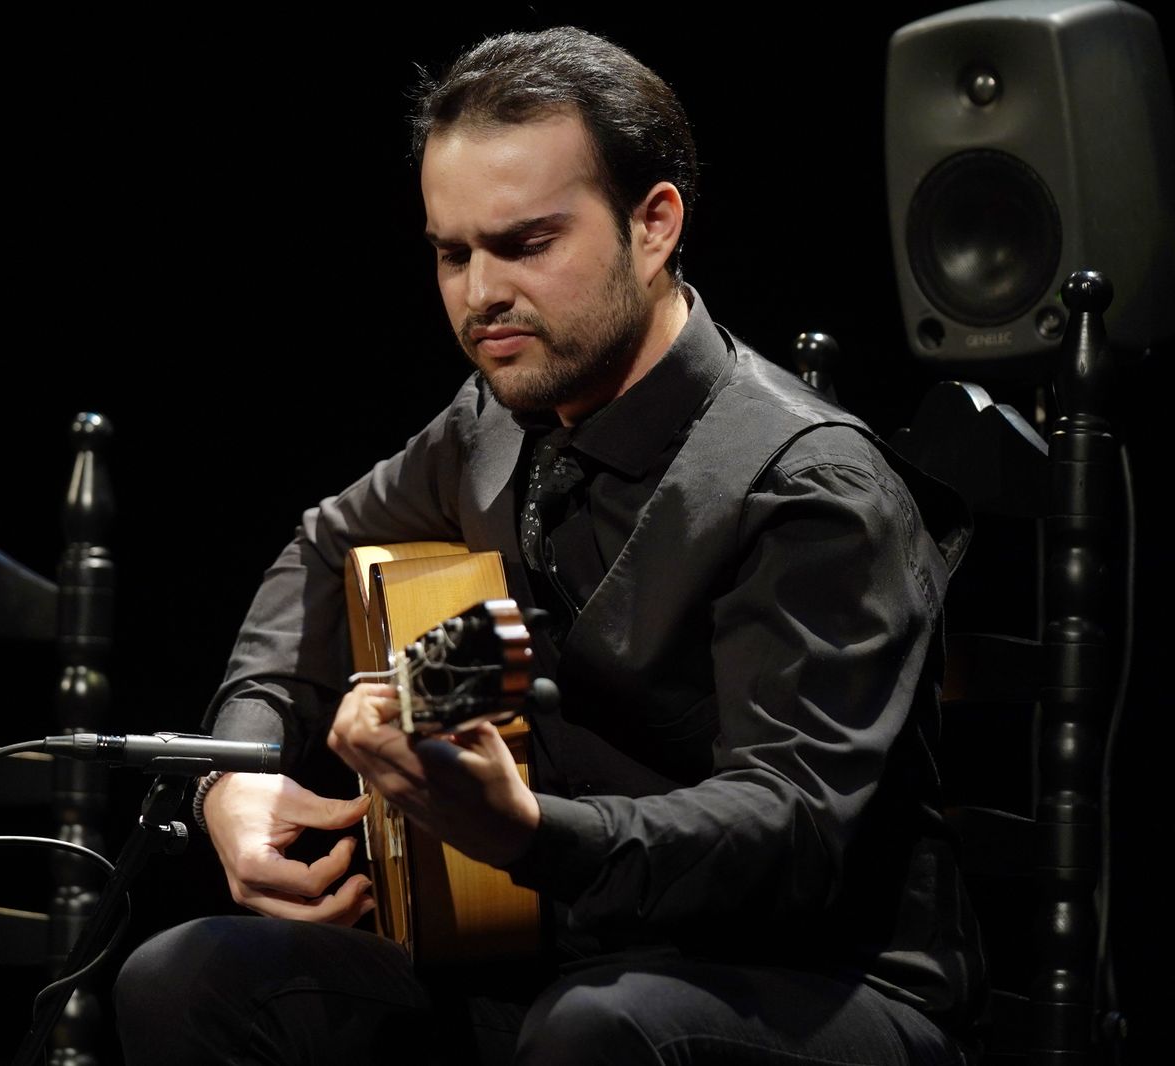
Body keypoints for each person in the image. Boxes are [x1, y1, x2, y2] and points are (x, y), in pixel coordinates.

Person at [117, 26, 982, 1065]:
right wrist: (241, 770)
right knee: (186, 979)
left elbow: (790, 829)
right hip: (544, 957)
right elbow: (320, 546)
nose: (481, 295)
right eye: (452, 252)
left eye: (526, 245)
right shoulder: (492, 417)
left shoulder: (808, 484)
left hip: (810, 984)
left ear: (653, 224)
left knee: (594, 1032)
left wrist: (525, 831)